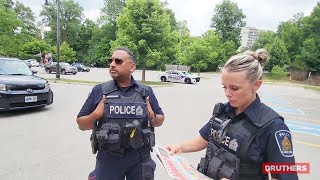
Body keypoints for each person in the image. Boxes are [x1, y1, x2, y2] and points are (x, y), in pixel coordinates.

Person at [165, 49, 298, 180]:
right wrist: (180, 147)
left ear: (256, 85)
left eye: (234, 88)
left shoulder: (273, 127)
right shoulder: (223, 111)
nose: (227, 93)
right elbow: (205, 139)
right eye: (224, 87)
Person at [76, 47, 165, 180]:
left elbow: (160, 120)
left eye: (118, 61)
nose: (112, 64)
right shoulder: (99, 91)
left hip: (139, 158)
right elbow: (81, 124)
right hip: (109, 159)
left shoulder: (146, 91)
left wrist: (151, 117)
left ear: (132, 67)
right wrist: (95, 115)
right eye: (110, 61)